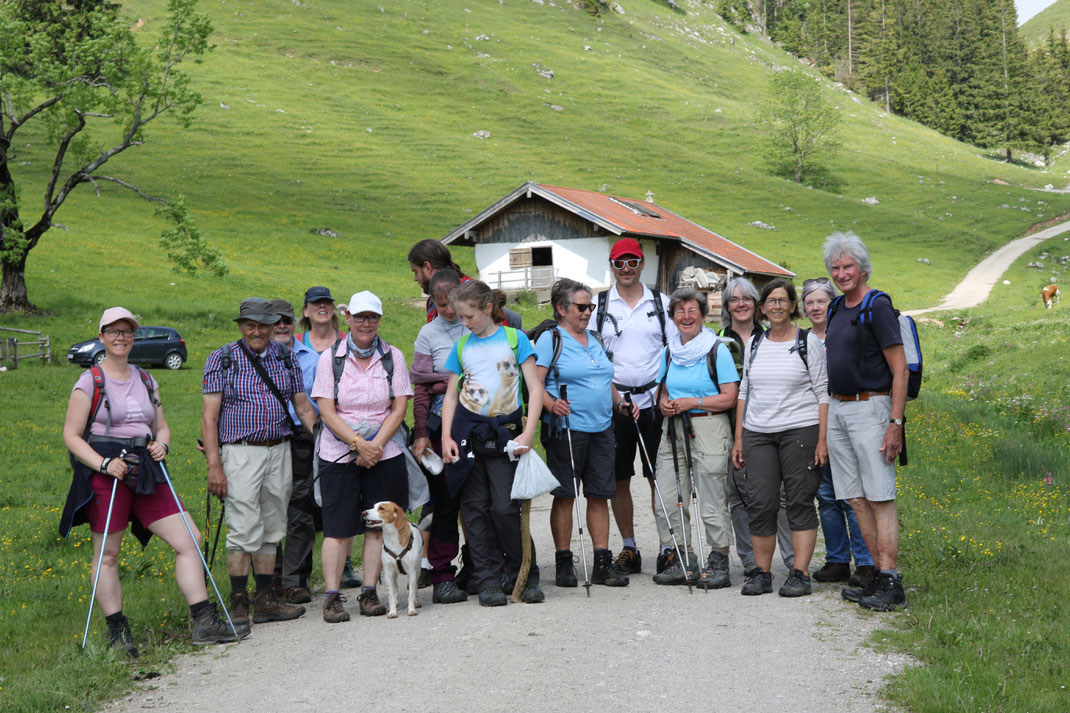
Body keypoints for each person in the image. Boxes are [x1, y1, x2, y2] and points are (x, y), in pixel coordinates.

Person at [61, 307, 240, 655]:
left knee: (189, 538)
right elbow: (71, 436)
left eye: (127, 332)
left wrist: (163, 444)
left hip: (146, 467)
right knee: (108, 554)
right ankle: (118, 632)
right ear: (102, 337)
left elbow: (161, 426)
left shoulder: (146, 379)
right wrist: (104, 464)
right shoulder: (89, 381)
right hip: (107, 470)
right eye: (113, 331)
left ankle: (203, 621)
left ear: (133, 337)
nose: (120, 337)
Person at [202, 298, 317, 631]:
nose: (256, 331)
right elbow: (209, 418)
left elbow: (303, 406)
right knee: (241, 527)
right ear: (241, 326)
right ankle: (238, 600)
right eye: (249, 325)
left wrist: (326, 443)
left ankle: (266, 599)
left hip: (279, 449)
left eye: (262, 325)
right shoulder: (222, 359)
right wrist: (214, 465)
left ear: (272, 325)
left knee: (271, 526)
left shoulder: (285, 357)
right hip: (240, 452)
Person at [441, 280, 545, 607]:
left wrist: (528, 434)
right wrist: (445, 436)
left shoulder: (515, 340)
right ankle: (487, 579)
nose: (465, 322)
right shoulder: (462, 347)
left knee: (505, 508)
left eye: (469, 315)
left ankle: (523, 574)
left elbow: (536, 389)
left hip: (506, 436)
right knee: (475, 510)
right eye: (460, 317)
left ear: (488, 308)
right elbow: (450, 395)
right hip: (468, 436)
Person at [311, 291, 413, 623]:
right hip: (338, 453)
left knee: (375, 527)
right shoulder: (331, 358)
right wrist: (358, 443)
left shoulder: (393, 357)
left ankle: (369, 593)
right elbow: (326, 409)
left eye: (372, 317)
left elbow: (399, 406)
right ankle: (331, 597)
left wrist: (376, 445)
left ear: (379, 320)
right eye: (359, 317)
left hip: (385, 452)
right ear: (349, 318)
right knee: (338, 528)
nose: (365, 323)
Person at [823, 232, 909, 611]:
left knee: (879, 496)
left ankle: (890, 580)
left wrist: (896, 422)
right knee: (856, 498)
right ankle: (875, 573)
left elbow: (900, 369)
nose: (841, 273)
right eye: (836, 267)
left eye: (848, 266)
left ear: (862, 267)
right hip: (840, 409)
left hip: (872, 408)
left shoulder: (878, 305)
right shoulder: (836, 308)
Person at [732, 280, 829, 597]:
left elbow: (822, 393)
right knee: (760, 503)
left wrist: (822, 440)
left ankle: (799, 574)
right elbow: (744, 391)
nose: (776, 306)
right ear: (762, 308)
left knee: (800, 501)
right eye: (770, 301)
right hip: (758, 433)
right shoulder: (754, 344)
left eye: (782, 301)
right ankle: (761, 573)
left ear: (792, 306)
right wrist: (739, 438)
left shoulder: (807, 342)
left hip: (800, 430)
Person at [537, 278, 633, 588]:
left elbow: (606, 378)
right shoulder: (551, 339)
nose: (587, 312)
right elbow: (534, 383)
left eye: (590, 306)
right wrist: (551, 405)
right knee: (566, 496)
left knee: (599, 495)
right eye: (581, 307)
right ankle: (564, 561)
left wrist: (620, 404)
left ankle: (602, 563)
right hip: (567, 429)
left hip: (601, 427)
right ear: (561, 308)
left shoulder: (594, 338)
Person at [593, 238, 676, 576]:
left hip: (655, 402)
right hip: (615, 403)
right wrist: (614, 397)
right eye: (619, 263)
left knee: (660, 476)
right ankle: (629, 547)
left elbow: (675, 352)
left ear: (643, 264)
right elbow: (593, 357)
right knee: (619, 478)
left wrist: (663, 393)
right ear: (611, 266)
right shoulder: (598, 306)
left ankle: (667, 546)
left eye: (632, 262)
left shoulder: (662, 303)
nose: (625, 269)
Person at [651, 288, 740, 588]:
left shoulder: (717, 349)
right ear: (672, 317)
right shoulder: (669, 351)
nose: (686, 317)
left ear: (703, 316)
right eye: (679, 311)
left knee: (713, 497)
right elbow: (663, 388)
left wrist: (693, 402)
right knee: (667, 496)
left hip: (709, 426)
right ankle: (681, 557)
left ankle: (718, 561)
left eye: (692, 311)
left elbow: (730, 397)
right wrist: (663, 401)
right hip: (673, 428)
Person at [801, 278, 876, 587]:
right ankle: (836, 560)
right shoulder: (801, 340)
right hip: (812, 424)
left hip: (846, 419)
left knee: (852, 494)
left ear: (832, 303)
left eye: (821, 301)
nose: (816, 307)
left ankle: (867, 562)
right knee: (826, 494)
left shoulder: (842, 333)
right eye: (810, 302)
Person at [718, 277, 794, 575]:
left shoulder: (771, 337)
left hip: (772, 425)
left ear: (757, 304)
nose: (740, 304)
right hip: (730, 427)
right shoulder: (717, 341)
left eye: (747, 298)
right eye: (734, 299)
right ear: (726, 306)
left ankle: (790, 560)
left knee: (782, 494)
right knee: (739, 495)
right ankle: (750, 559)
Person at [410, 269, 470, 604]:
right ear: (432, 301)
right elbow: (420, 388)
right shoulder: (427, 334)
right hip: (438, 425)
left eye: (453, 304)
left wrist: (439, 378)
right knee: (445, 502)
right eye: (441, 304)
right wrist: (420, 432)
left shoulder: (474, 325)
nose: (448, 310)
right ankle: (442, 574)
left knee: (478, 500)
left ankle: (480, 566)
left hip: (476, 422)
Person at [268, 299, 323, 604]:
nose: (281, 326)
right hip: (268, 440)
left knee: (301, 513)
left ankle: (295, 580)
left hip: (302, 439)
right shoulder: (255, 358)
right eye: (274, 321)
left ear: (294, 323)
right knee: (270, 513)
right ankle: (271, 580)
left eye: (286, 320)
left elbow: (321, 403)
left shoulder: (311, 359)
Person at [407, 239, 522, 327]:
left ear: (427, 267)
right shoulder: (432, 303)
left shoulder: (472, 293)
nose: (415, 278)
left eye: (415, 272)